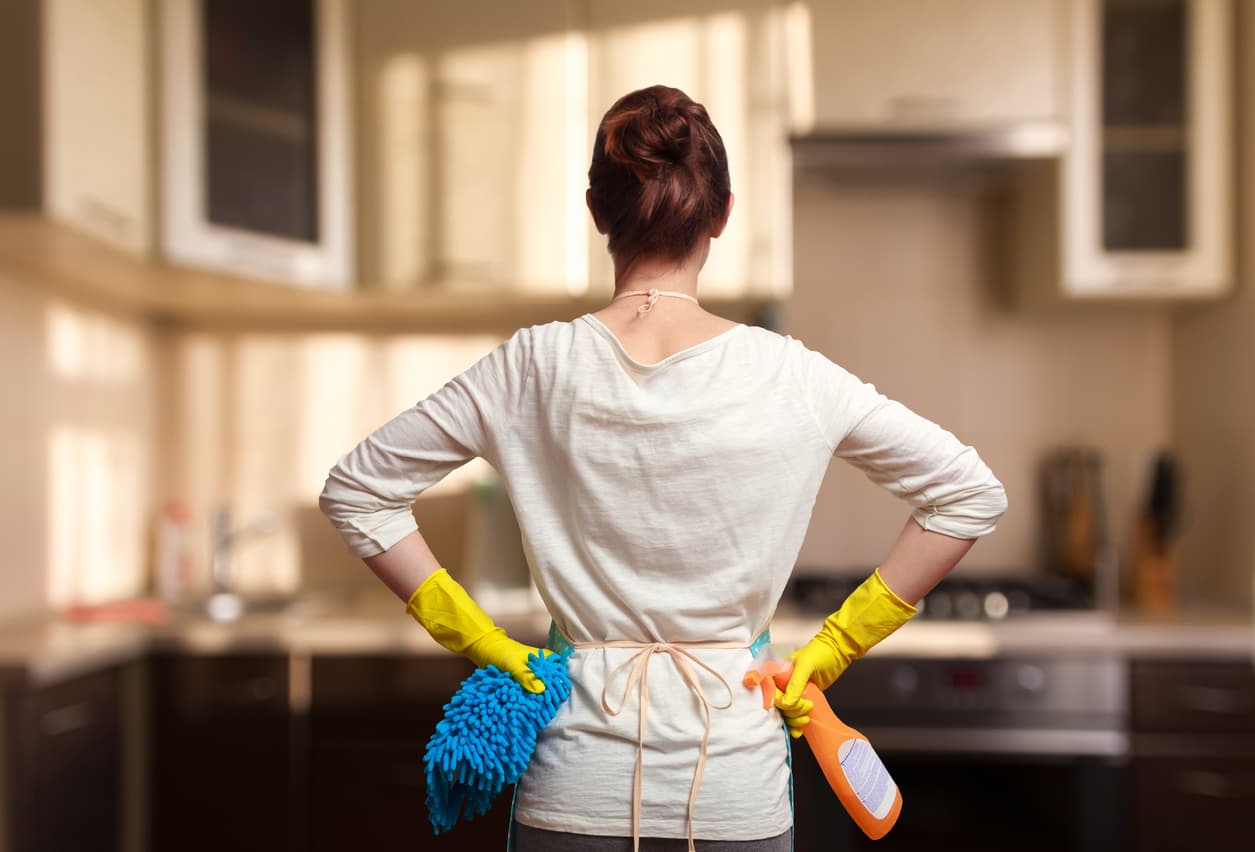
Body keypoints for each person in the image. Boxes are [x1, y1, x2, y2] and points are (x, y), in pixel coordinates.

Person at [319, 85, 1007, 852]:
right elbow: (967, 495)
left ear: (597, 210)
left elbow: (358, 491)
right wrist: (834, 647)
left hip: (573, 786)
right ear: (722, 214)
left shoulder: (532, 366)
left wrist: (489, 647)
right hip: (734, 792)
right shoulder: (794, 376)